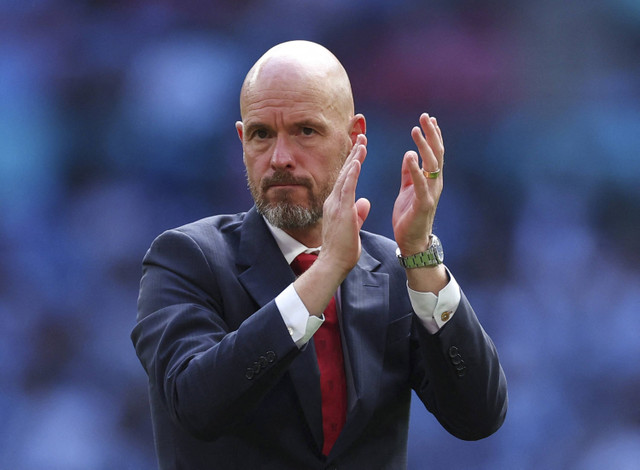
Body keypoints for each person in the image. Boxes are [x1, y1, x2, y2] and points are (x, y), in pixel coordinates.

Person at [131, 40, 507, 470]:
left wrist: (420, 255)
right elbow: (196, 404)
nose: (280, 158)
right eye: (261, 134)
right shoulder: (186, 258)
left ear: (354, 137)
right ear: (241, 140)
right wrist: (326, 271)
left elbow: (478, 416)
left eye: (305, 131)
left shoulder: (392, 271)